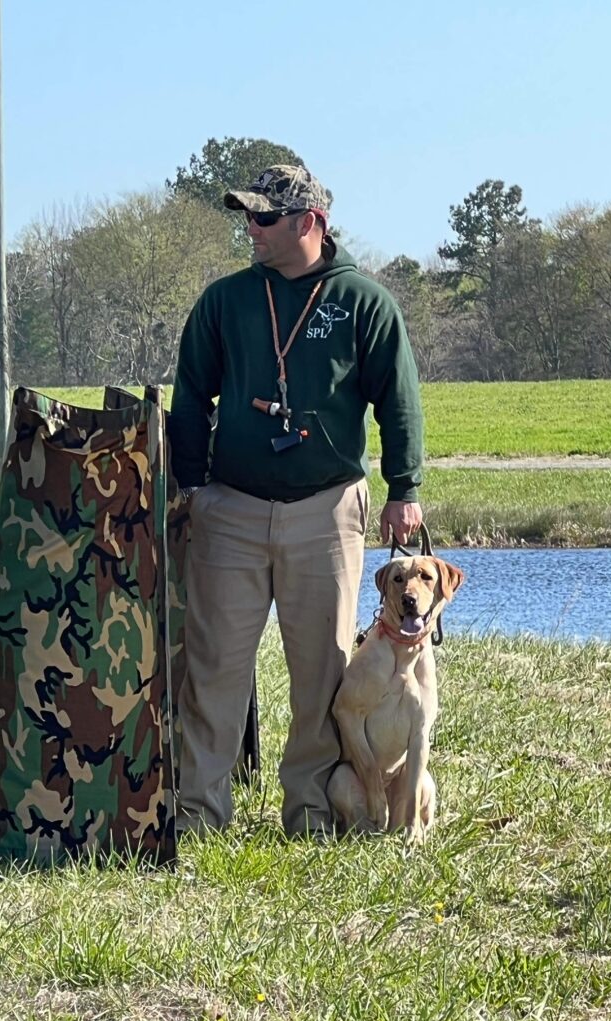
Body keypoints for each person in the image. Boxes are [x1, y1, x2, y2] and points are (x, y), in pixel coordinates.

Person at [168, 164, 424, 838]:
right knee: (214, 668)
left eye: (262, 217)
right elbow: (191, 395)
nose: (248, 228)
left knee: (322, 675)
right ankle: (196, 813)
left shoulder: (363, 301)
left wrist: (406, 489)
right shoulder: (225, 301)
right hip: (231, 507)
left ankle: (311, 812)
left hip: (326, 507)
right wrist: (190, 486)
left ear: (308, 222)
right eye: (246, 216)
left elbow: (398, 400)